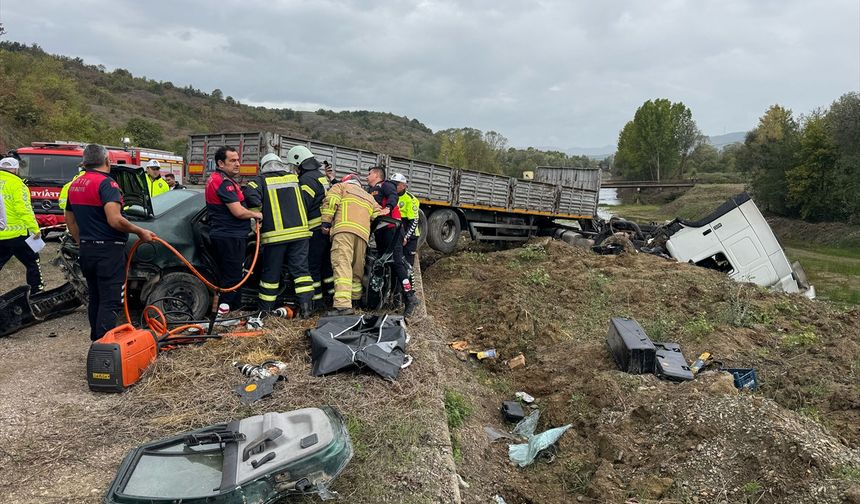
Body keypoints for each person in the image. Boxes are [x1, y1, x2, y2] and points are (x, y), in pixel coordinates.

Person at [64, 145, 155, 341]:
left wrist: (82, 241)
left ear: (85, 162)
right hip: (108, 252)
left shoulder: (76, 184)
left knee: (95, 298)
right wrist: (140, 231)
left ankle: (97, 342)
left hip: (88, 250)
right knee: (111, 301)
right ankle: (104, 349)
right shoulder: (107, 184)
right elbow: (115, 220)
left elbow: (69, 219)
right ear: (107, 161)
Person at [243, 153, 315, 326]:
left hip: (276, 237)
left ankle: (265, 310)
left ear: (263, 167)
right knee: (301, 272)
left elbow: (250, 195)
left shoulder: (259, 181)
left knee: (270, 274)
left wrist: (257, 213)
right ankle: (306, 308)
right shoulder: (295, 179)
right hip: (300, 234)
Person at [205, 146, 262, 319]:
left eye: (238, 159)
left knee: (232, 275)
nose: (237, 164)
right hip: (229, 236)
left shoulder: (217, 179)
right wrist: (256, 214)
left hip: (226, 234)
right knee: (232, 277)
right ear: (220, 163)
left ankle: (233, 311)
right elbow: (238, 211)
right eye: (232, 160)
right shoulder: (224, 183)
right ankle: (223, 315)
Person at [320, 174, 386, 316]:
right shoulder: (369, 196)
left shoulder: (340, 187)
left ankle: (342, 306)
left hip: (344, 231)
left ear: (346, 181)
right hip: (362, 235)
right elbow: (378, 216)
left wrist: (326, 222)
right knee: (357, 269)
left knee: (342, 265)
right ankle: (355, 302)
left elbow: (331, 202)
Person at [366, 166, 420, 317]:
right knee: (381, 263)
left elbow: (393, 197)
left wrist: (388, 208)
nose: (366, 177)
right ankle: (379, 301)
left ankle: (410, 298)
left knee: (397, 263)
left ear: (377, 175)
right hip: (380, 231)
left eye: (369, 174)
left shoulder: (387, 185)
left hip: (392, 228)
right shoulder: (370, 190)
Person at [285, 145, 333, 308]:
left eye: (295, 166)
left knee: (312, 267)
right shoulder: (320, 176)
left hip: (314, 231)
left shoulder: (306, 180)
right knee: (326, 267)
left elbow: (302, 205)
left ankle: (317, 302)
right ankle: (331, 298)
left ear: (299, 164)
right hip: (325, 230)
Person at [0, 157, 44, 294]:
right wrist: (34, 228)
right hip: (17, 235)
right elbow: (23, 209)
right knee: (32, 261)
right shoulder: (18, 184)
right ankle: (37, 291)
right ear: (15, 169)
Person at [390, 173, 421, 268]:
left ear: (403, 186)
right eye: (392, 184)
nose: (393, 186)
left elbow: (414, 221)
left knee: (407, 265)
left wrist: (406, 237)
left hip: (410, 235)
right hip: (397, 233)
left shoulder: (411, 199)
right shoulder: (391, 196)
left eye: (396, 184)